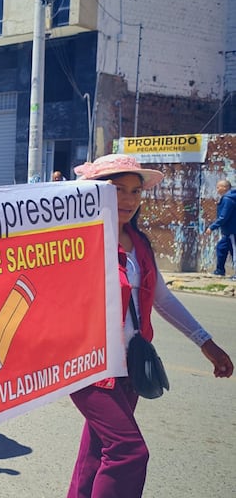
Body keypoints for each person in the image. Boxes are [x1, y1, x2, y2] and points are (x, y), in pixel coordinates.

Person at [68, 154, 233, 498]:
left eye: (135, 191)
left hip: (130, 365)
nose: (128, 199)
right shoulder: (77, 243)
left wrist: (206, 342)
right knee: (129, 452)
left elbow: (163, 299)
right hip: (89, 368)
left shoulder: (139, 243)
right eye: (117, 190)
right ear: (95, 193)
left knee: (99, 450)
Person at [204, 179, 234, 277]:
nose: (217, 189)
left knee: (234, 251)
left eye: (218, 187)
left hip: (232, 231)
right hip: (228, 231)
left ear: (225, 188)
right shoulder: (228, 198)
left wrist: (212, 227)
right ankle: (220, 270)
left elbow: (223, 217)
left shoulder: (227, 199)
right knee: (221, 248)